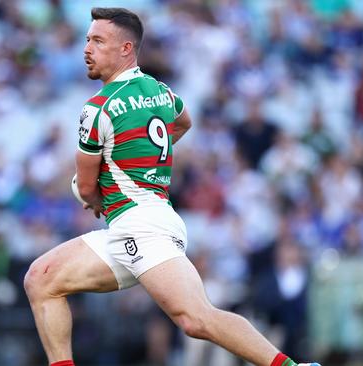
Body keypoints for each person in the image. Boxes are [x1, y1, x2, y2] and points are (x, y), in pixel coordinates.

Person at [23, 7, 321, 366]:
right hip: (138, 223)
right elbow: (183, 121)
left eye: (98, 41)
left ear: (125, 49)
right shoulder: (158, 90)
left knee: (196, 319)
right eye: (87, 40)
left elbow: (86, 188)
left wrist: (95, 195)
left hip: (141, 226)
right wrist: (142, 164)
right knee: (41, 278)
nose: (87, 49)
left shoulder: (98, 108)